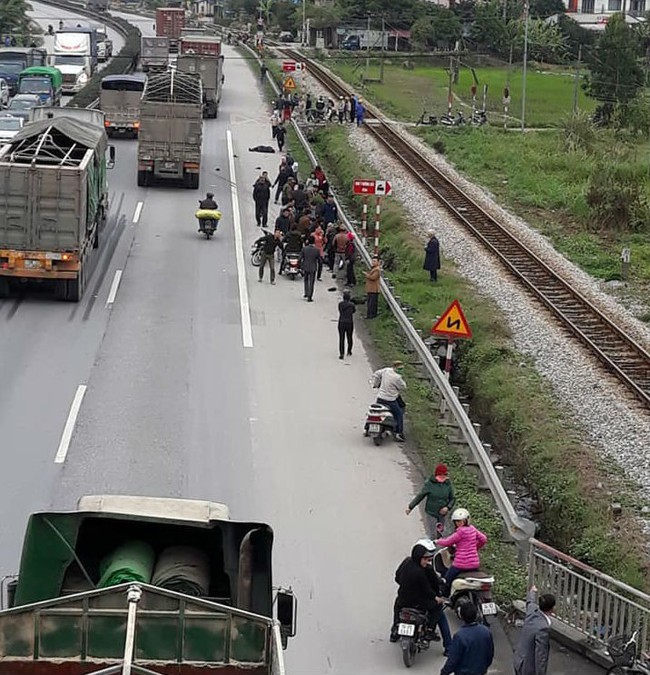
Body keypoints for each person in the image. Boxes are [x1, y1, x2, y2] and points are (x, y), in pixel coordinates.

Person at [390, 543, 449, 647]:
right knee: (437, 608)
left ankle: (395, 629)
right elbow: (427, 590)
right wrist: (436, 598)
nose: (427, 562)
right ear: (419, 558)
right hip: (419, 603)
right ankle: (430, 630)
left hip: (403, 599)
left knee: (397, 606)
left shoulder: (406, 562)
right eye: (425, 559)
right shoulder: (420, 572)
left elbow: (397, 577)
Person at [436, 508, 487, 590]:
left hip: (460, 564)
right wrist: (475, 548)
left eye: (461, 521)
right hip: (474, 564)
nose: (459, 523)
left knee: (446, 580)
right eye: (457, 521)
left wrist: (437, 541)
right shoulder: (473, 529)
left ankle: (444, 596)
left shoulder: (460, 532)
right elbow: (483, 539)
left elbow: (448, 542)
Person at [440, 603, 494, 675]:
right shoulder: (486, 631)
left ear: (461, 616)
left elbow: (453, 660)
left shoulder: (460, 636)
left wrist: (444, 672)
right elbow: (490, 653)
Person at [513, 586, 556, 675]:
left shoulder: (532, 611)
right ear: (552, 609)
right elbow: (541, 655)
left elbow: (530, 602)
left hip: (518, 660)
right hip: (527, 668)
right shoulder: (543, 628)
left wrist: (532, 592)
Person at [406, 464, 455, 538]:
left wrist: (447, 507)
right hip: (431, 513)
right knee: (433, 534)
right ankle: (432, 548)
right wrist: (410, 507)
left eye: (444, 476)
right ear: (436, 475)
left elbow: (452, 498)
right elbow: (420, 496)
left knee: (440, 533)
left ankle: (439, 547)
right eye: (441, 476)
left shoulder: (447, 484)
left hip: (442, 514)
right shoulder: (429, 484)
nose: (443, 478)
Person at [372, 361, 407, 442]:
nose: (401, 370)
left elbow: (376, 374)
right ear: (395, 367)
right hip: (390, 400)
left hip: (380, 397)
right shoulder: (397, 377)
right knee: (399, 414)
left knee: (375, 411)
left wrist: (376, 383)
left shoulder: (386, 370)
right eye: (400, 369)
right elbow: (403, 387)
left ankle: (367, 428)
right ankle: (399, 433)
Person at [300, 235, 320, 302]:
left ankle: (306, 292)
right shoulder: (316, 250)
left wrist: (300, 265)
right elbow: (319, 260)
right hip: (313, 267)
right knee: (311, 282)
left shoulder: (304, 249)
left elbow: (300, 258)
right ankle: (310, 297)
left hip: (305, 267)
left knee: (305, 280)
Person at [337, 290, 356, 359]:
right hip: (349, 322)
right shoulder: (352, 305)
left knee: (341, 338)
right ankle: (349, 351)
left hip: (341, 322)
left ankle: (341, 353)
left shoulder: (340, 304)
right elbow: (354, 311)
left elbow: (340, 310)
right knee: (349, 337)